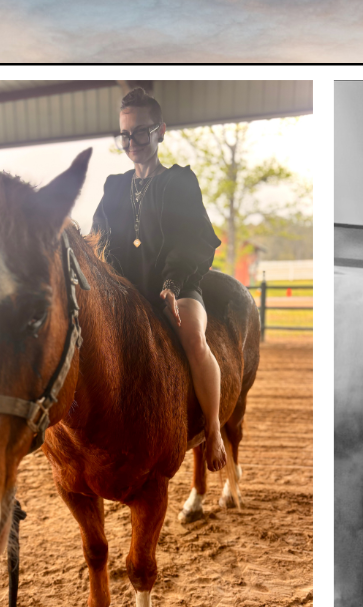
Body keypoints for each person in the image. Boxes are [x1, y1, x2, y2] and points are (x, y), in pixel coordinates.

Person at [89, 86, 229, 471]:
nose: (132, 142)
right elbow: (99, 239)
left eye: (140, 132)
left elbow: (190, 241)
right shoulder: (114, 187)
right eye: (125, 135)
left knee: (193, 337)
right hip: (126, 292)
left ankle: (214, 431)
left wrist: (170, 285)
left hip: (177, 285)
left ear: (160, 131)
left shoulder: (180, 182)